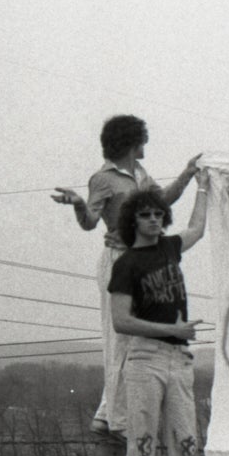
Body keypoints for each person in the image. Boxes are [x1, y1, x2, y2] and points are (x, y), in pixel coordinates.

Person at [108, 177, 229, 456]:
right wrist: (171, 329)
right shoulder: (126, 265)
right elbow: (121, 321)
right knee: (143, 446)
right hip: (146, 358)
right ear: (133, 220)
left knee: (186, 445)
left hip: (179, 360)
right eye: (145, 215)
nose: (152, 219)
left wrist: (201, 187)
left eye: (157, 214)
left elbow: (196, 229)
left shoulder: (169, 248)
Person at [51, 115, 200, 435]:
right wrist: (78, 203)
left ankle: (109, 414)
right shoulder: (103, 179)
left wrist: (187, 174)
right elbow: (90, 221)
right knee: (117, 339)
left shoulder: (141, 174)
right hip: (117, 259)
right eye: (142, 140)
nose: (145, 145)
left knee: (136, 339)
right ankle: (114, 418)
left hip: (141, 258)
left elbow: (162, 201)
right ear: (132, 143)